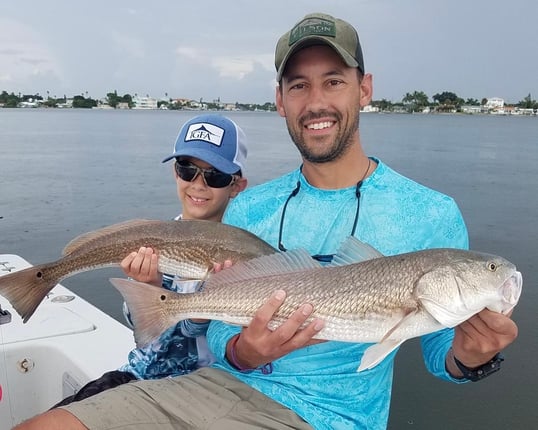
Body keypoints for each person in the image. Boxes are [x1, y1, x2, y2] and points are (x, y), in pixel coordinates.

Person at [16, 12, 518, 430]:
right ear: (280, 100)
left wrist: (472, 357)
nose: (316, 101)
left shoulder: (431, 214)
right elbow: (218, 323)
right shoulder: (249, 207)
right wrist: (240, 351)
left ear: (364, 89)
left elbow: (440, 355)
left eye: (334, 81)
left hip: (328, 417)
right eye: (298, 85)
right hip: (217, 386)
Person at [52, 113, 249, 407]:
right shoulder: (154, 240)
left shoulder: (244, 251)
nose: (198, 184)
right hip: (139, 374)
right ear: (174, 172)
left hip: (206, 389)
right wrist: (147, 286)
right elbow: (140, 331)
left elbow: (228, 337)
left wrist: (204, 306)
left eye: (215, 175)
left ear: (237, 186)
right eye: (187, 170)